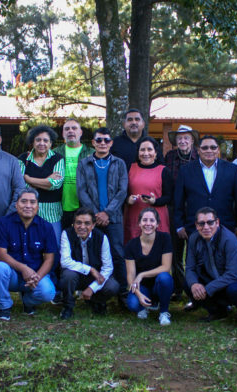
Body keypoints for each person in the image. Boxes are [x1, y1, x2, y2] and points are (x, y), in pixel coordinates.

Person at [185, 207, 237, 334]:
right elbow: (190, 268)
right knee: (189, 284)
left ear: (217, 222)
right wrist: (194, 284)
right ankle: (218, 312)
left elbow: (233, 274)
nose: (206, 227)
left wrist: (207, 289)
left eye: (210, 222)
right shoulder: (194, 238)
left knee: (235, 289)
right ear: (196, 225)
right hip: (214, 279)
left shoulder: (229, 239)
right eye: (201, 223)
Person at [0, 188, 57, 320]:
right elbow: (1, 254)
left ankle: (28, 301)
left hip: (35, 275)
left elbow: (49, 259)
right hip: (12, 275)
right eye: (24, 201)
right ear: (16, 205)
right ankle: (4, 306)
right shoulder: (3, 223)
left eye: (32, 202)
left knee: (48, 293)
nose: (28, 206)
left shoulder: (46, 227)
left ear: (38, 206)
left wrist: (37, 276)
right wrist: (23, 268)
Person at [77, 127, 129, 290]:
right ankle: (94, 293)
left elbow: (122, 191)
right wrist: (96, 215)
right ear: (93, 142)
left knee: (118, 255)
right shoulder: (83, 163)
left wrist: (107, 212)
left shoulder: (119, 163)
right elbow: (81, 190)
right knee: (93, 256)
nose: (102, 143)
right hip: (91, 220)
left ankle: (121, 292)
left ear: (111, 143)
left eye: (106, 140)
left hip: (113, 218)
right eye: (99, 140)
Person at [174, 135, 237, 241]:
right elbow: (178, 200)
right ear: (198, 150)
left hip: (225, 228)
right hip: (195, 228)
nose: (209, 150)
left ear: (218, 150)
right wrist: (179, 225)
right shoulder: (185, 171)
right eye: (205, 148)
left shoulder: (232, 170)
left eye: (213, 147)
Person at [58, 207, 120, 319]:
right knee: (67, 276)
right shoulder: (66, 234)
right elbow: (65, 261)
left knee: (112, 286)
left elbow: (108, 267)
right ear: (73, 224)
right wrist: (90, 269)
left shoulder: (101, 237)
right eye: (78, 223)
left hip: (94, 278)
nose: (82, 227)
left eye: (87, 223)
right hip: (76, 274)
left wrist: (92, 288)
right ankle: (68, 306)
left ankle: (96, 301)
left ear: (93, 225)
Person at [164, 125, 199, 304]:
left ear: (192, 140)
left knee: (194, 254)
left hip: (194, 211)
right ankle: (178, 289)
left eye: (186, 138)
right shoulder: (169, 157)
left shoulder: (199, 157)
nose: (183, 141)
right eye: (180, 138)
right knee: (175, 253)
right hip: (174, 209)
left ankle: (196, 292)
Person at [124, 208, 175, 326]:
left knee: (165, 278)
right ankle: (145, 305)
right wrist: (137, 293)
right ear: (139, 223)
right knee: (132, 304)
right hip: (142, 286)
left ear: (157, 224)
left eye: (152, 220)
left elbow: (166, 267)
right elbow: (131, 275)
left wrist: (142, 274)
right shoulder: (131, 245)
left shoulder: (165, 238)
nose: (148, 224)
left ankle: (163, 312)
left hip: (159, 284)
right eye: (144, 220)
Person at [18, 124, 65, 243]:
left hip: (52, 213)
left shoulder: (58, 159)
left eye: (45, 140)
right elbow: (21, 185)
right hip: (28, 210)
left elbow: (55, 184)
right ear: (32, 142)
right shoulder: (23, 159)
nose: (41, 143)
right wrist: (46, 179)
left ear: (51, 143)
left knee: (54, 246)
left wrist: (28, 179)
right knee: (30, 245)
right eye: (38, 140)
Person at [124, 136, 172, 242]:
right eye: (142, 150)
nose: (146, 153)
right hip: (134, 217)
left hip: (157, 218)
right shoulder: (129, 168)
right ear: (138, 152)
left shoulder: (164, 171)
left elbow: (169, 197)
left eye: (149, 149)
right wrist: (128, 199)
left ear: (155, 153)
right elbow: (123, 192)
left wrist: (155, 201)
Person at [54, 118, 94, 230]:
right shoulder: (55, 153)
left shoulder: (91, 153)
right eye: (67, 129)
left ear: (80, 132)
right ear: (63, 133)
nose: (70, 131)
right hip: (61, 205)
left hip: (85, 204)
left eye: (74, 128)